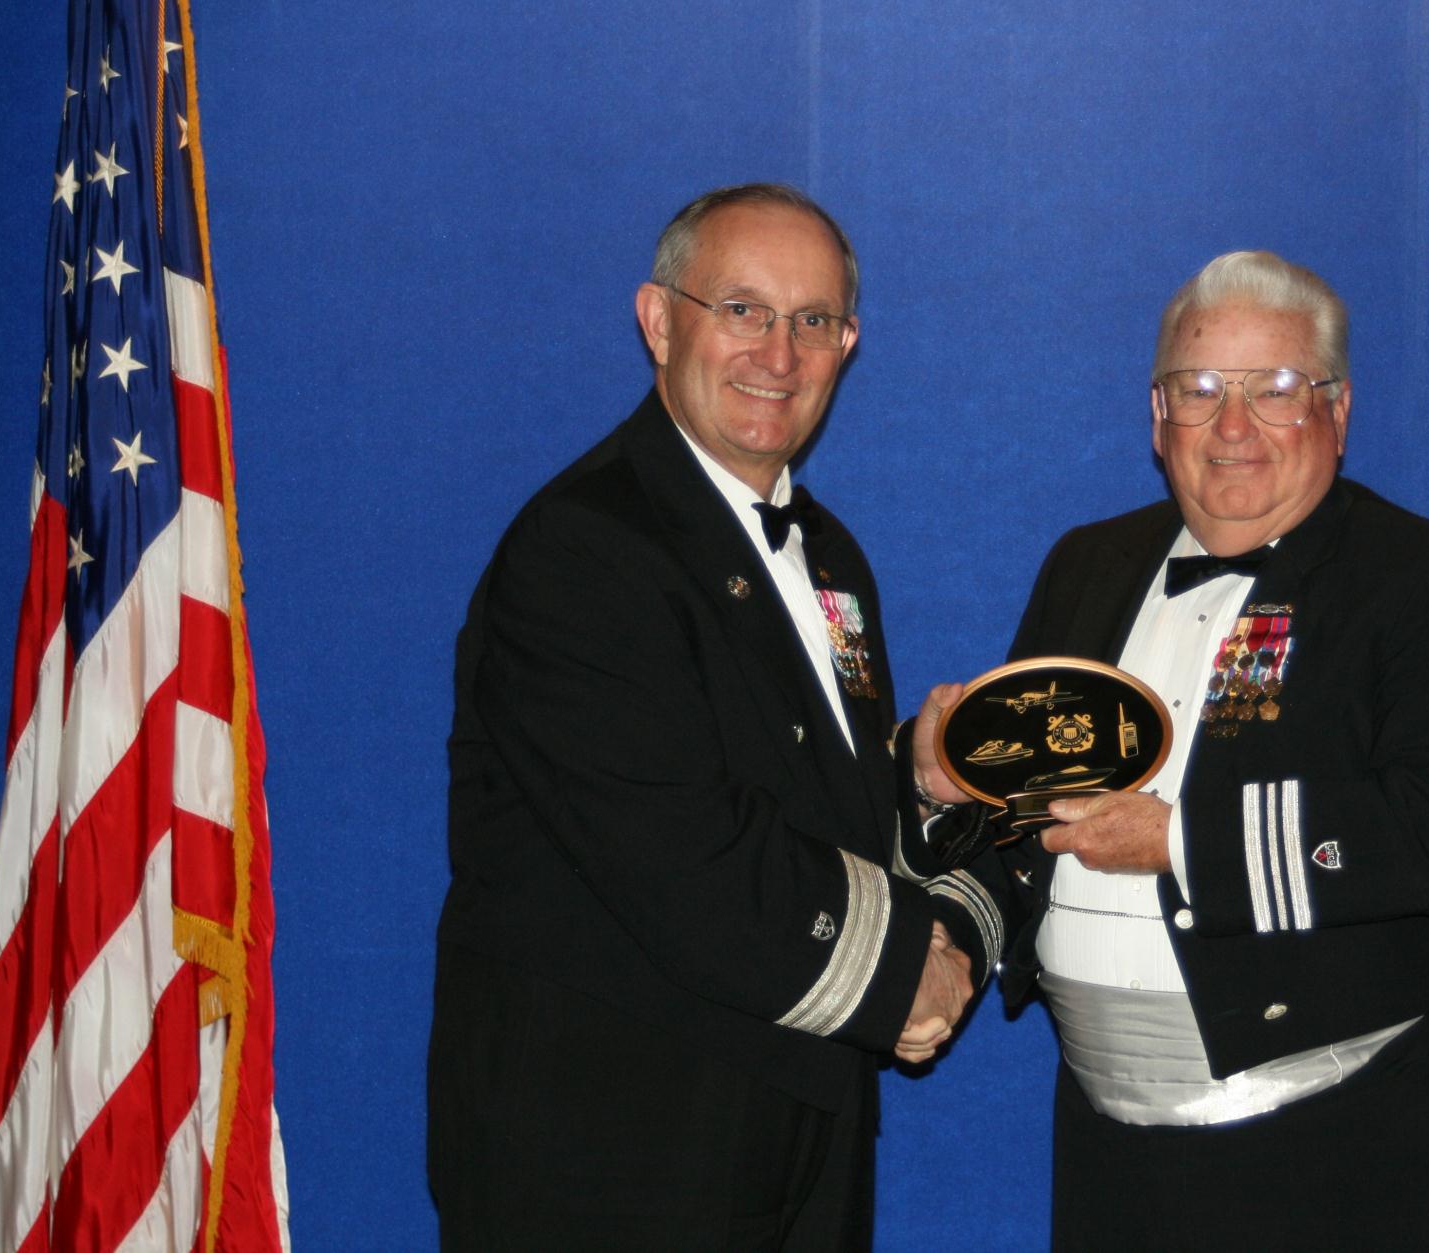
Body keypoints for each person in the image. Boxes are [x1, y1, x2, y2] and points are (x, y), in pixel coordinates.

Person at [427, 184, 1001, 1249]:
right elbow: (679, 850)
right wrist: (903, 975)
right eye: (742, 309)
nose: (778, 354)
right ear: (658, 319)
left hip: (795, 1134)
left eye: (813, 320)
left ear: (848, 345)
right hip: (610, 1163)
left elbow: (791, 796)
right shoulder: (583, 551)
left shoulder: (829, 557)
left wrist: (912, 781)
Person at [996, 250, 1429, 1250]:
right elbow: (1015, 809)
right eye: (1199, 389)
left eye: (1274, 389)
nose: (1232, 426)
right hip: (1103, 1145)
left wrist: (1178, 841)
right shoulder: (1086, 564)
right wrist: (949, 914)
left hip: (1330, 1147)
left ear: (1338, 410)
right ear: (1157, 414)